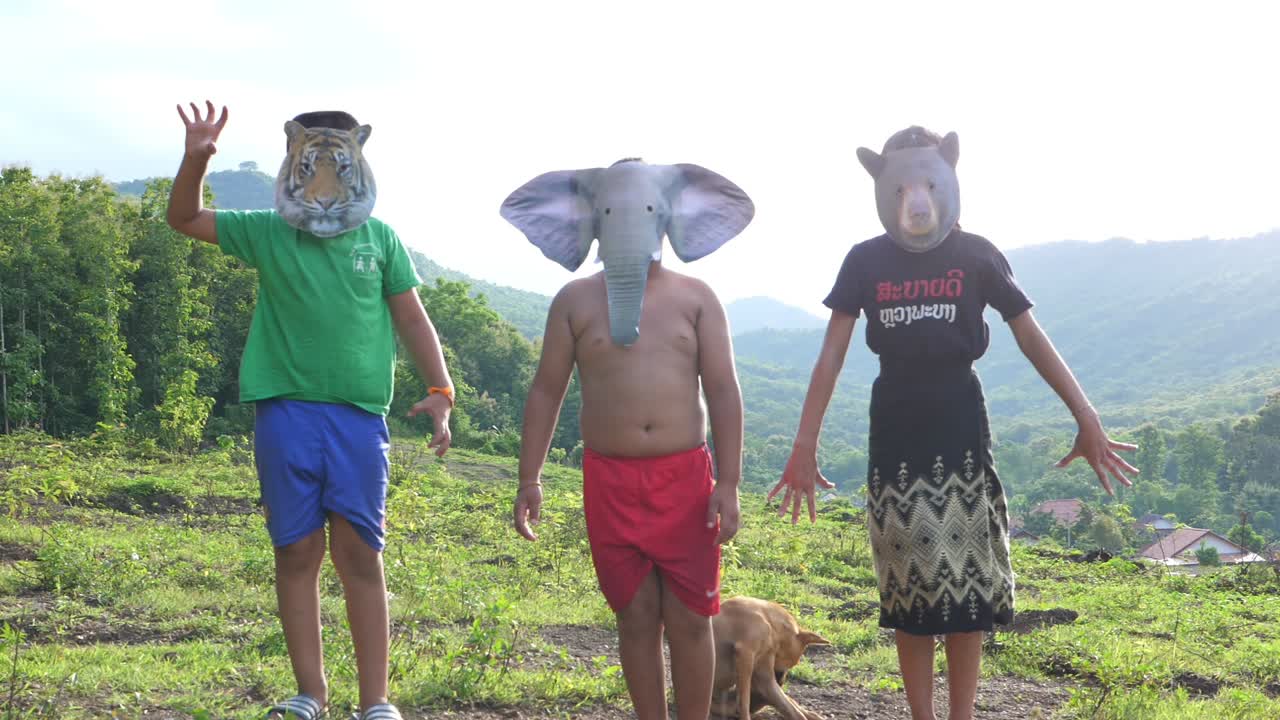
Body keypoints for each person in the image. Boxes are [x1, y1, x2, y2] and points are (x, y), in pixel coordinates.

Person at [769, 126, 1138, 720]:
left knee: (968, 599)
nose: (916, 199)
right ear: (884, 188)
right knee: (910, 600)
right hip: (894, 438)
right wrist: (802, 447)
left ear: (948, 180)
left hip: (963, 434)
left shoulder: (976, 254)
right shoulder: (865, 260)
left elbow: (1028, 333)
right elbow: (830, 355)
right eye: (902, 187)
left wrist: (1086, 417)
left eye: (928, 184)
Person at [166, 100, 455, 720]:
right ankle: (310, 695)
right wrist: (195, 159)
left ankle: (376, 701)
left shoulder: (380, 239)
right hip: (285, 412)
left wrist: (442, 390)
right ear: (293, 161)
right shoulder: (268, 230)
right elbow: (184, 217)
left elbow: (411, 315)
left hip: (357, 417)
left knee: (360, 554)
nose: (325, 187)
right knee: (296, 552)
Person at [504, 158, 751, 720]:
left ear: (669, 218)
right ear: (588, 221)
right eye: (611, 213)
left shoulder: (697, 298)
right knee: (635, 617)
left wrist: (730, 482)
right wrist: (528, 478)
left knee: (690, 618)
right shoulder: (574, 301)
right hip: (609, 480)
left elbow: (724, 390)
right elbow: (546, 391)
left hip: (685, 479)